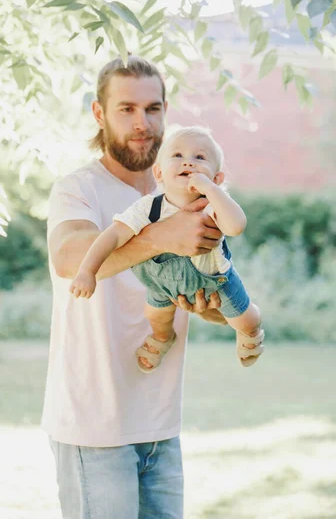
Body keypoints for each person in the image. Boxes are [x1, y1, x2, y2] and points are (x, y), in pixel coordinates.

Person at [43, 55, 229, 519]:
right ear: (99, 113)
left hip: (161, 425)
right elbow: (69, 258)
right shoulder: (78, 188)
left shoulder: (185, 195)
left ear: (166, 110)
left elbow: (197, 287)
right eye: (126, 109)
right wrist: (161, 238)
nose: (141, 123)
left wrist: (215, 307)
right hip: (94, 427)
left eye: (152, 108)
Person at [70, 125, 264, 372]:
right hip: (163, 287)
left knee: (246, 320)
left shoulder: (211, 205)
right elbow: (113, 236)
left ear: (216, 178)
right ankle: (163, 338)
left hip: (215, 281)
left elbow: (236, 226)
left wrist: (212, 191)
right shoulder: (148, 208)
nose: (189, 163)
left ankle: (252, 331)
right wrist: (87, 270)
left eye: (200, 157)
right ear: (159, 173)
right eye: (178, 156)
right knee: (156, 316)